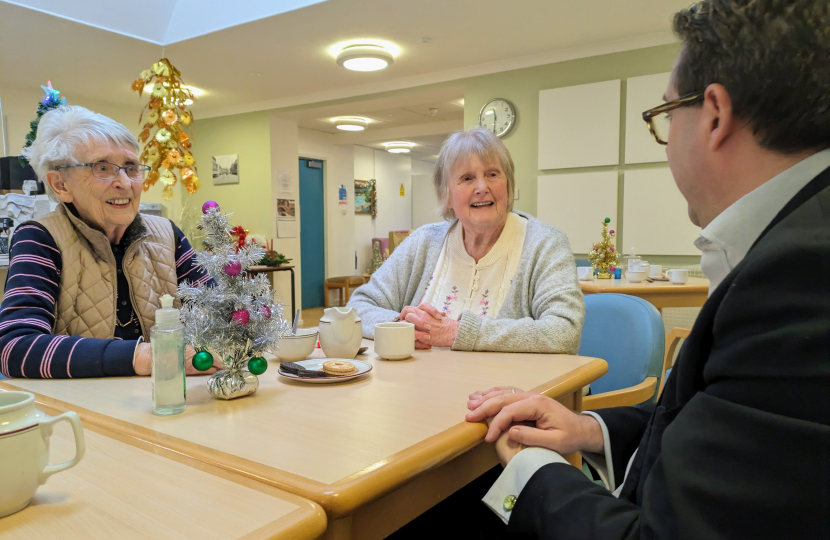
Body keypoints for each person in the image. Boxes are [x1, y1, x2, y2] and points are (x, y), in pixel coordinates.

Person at [466, 0, 830, 537]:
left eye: (664, 116)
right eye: (463, 179)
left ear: (714, 114)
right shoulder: (789, 249)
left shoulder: (799, 278)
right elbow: (705, 422)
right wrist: (588, 427)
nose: (480, 189)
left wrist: (527, 471)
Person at [0, 106, 221, 378]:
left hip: (169, 399)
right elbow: (15, 348)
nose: (125, 182)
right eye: (102, 168)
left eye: (131, 167)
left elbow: (219, 311)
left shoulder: (167, 234)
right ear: (60, 185)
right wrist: (138, 356)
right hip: (81, 411)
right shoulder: (39, 239)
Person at [348, 127, 584, 353]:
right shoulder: (423, 242)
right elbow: (357, 307)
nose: (482, 187)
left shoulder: (545, 243)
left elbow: (564, 331)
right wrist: (403, 328)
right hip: (423, 387)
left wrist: (458, 333)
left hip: (512, 390)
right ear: (447, 195)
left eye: (492, 174)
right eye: (467, 178)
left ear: (508, 185)